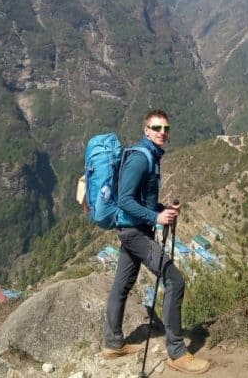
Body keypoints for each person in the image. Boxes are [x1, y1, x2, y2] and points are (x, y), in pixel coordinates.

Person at [102, 109, 211, 374]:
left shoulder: (150, 156)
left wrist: (162, 210)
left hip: (134, 230)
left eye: (166, 128)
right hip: (135, 233)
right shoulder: (141, 159)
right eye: (157, 127)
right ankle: (177, 352)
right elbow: (125, 200)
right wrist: (156, 217)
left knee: (122, 285)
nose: (163, 132)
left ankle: (112, 343)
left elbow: (141, 199)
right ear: (146, 130)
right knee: (175, 280)